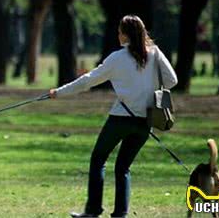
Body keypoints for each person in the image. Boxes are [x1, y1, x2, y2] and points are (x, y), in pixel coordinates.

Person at [49, 15, 177, 218]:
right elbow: (172, 80)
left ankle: (92, 211)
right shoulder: (155, 53)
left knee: (98, 159)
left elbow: (87, 81)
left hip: (120, 119)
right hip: (146, 121)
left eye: (119, 31)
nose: (118, 35)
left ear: (125, 34)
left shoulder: (117, 58)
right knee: (123, 168)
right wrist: (149, 88)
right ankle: (120, 214)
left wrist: (59, 92)